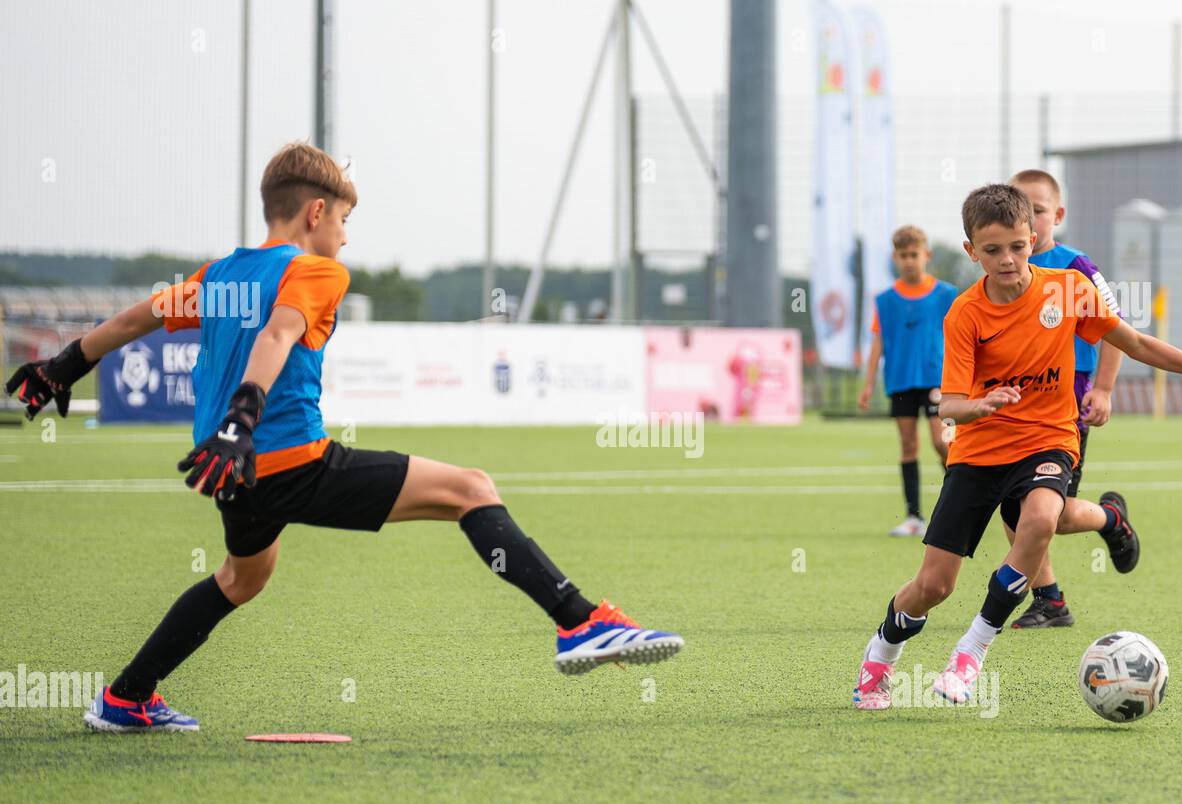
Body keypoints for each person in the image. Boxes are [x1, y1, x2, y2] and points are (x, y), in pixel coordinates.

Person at [5, 142, 682, 732]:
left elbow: (137, 318)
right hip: (286, 460)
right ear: (315, 213)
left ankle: (126, 697)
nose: (347, 239)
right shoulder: (318, 270)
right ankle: (579, 620)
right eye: (346, 221)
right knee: (471, 489)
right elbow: (278, 334)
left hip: (228, 473)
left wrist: (65, 365)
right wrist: (243, 420)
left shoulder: (223, 275)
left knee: (246, 576)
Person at [853, 183, 1182, 711]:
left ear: (1036, 236)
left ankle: (970, 653)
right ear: (971, 251)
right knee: (933, 586)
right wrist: (982, 404)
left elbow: (1134, 343)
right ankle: (881, 652)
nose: (1008, 260)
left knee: (1041, 519)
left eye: (1018, 246)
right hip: (977, 453)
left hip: (1047, 440)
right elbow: (949, 404)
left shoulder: (1068, 289)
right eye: (992, 250)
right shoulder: (965, 314)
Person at [1004, 168, 1126, 628]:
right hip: (1014, 404)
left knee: (1046, 512)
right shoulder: (1006, 270)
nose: (1028, 221)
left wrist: (1104, 388)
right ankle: (1049, 600)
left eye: (1037, 210)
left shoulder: (1075, 267)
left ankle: (1110, 518)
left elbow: (1118, 332)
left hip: (1065, 403)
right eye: (1019, 210)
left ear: (1057, 214)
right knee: (1016, 511)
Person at [857, 225, 959, 536]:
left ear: (926, 255)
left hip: (935, 381)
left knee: (943, 443)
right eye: (903, 256)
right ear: (895, 258)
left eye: (914, 254)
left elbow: (960, 337)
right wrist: (868, 383)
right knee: (908, 445)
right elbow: (878, 342)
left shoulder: (945, 294)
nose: (909, 261)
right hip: (901, 381)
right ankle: (914, 517)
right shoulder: (885, 300)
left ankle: (959, 507)